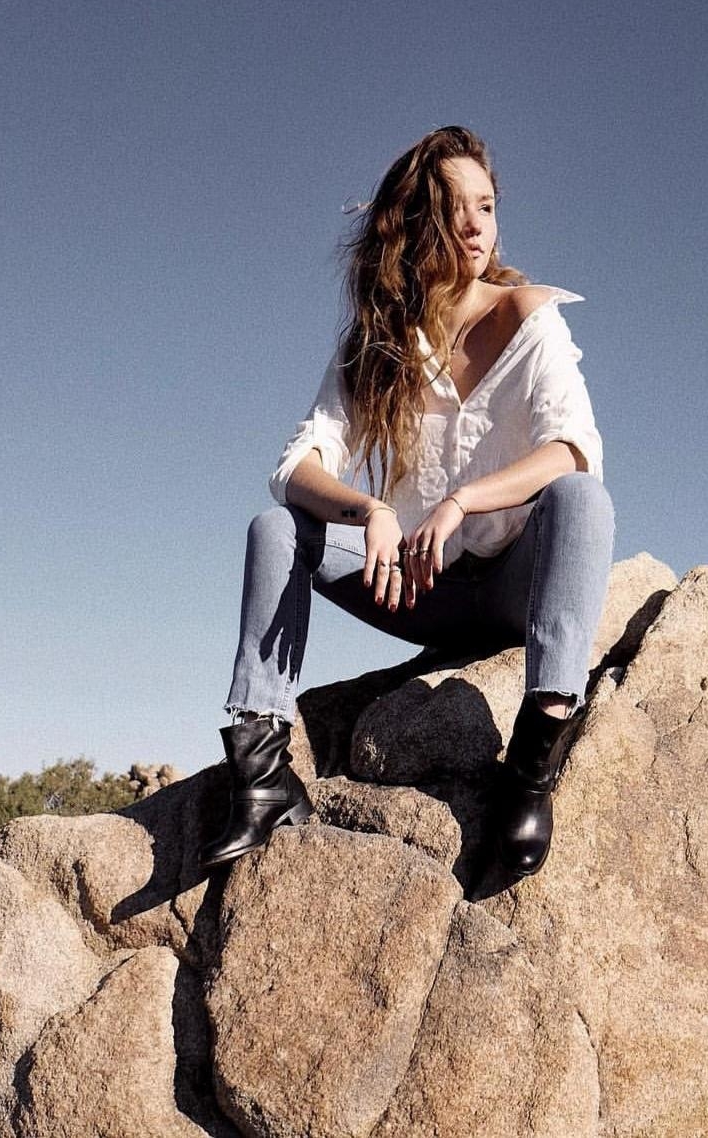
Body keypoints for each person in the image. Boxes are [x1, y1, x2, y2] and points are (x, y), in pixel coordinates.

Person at [200, 126, 614, 878]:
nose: (475, 225)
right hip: (415, 589)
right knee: (276, 528)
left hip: (511, 586)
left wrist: (463, 500)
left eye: (485, 206)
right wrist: (370, 511)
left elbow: (572, 448)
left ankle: (530, 769)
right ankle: (261, 774)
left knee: (582, 498)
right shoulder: (378, 341)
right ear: (415, 224)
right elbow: (296, 466)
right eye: (454, 209)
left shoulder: (530, 317)